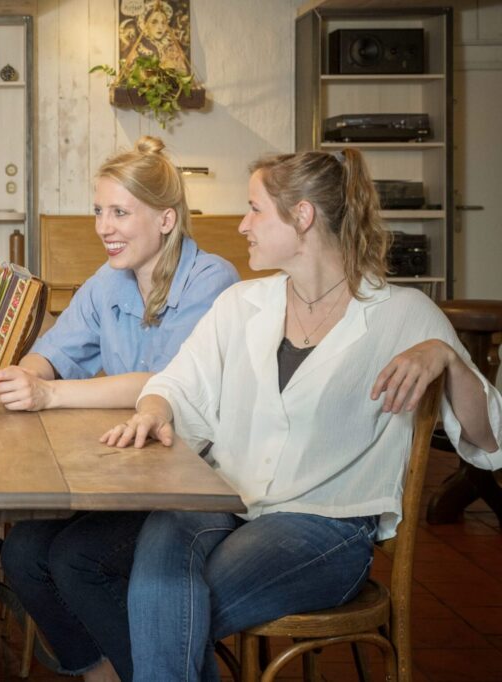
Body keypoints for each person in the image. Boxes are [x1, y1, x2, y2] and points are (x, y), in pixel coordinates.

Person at [101, 149, 502, 681]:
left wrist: (447, 358)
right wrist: (154, 407)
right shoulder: (242, 304)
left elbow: (489, 438)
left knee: (167, 603)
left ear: (303, 216)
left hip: (326, 527)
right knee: (161, 569)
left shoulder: (403, 314)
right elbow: (178, 382)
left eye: (254, 209)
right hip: (224, 502)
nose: (242, 225)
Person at [0, 136, 238, 682]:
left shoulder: (213, 282)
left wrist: (49, 395)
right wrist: (24, 375)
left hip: (196, 480)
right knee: (24, 553)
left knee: (78, 560)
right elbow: (56, 351)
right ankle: (102, 672)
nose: (104, 227)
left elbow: (166, 382)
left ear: (166, 219)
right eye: (99, 211)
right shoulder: (108, 281)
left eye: (120, 212)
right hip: (130, 473)